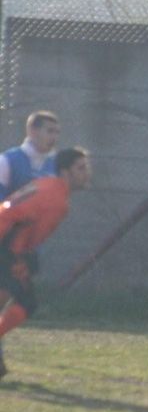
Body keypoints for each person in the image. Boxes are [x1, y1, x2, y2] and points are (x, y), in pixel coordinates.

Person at [0, 147, 92, 379]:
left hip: (6, 243)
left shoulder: (47, 184)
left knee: (13, 297)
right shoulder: (57, 201)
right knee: (26, 302)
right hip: (5, 245)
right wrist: (20, 258)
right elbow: (25, 230)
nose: (87, 173)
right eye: (81, 168)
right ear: (65, 172)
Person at [0, 110, 60, 200]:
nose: (54, 137)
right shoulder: (7, 161)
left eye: (57, 132)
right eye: (50, 131)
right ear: (32, 131)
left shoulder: (56, 164)